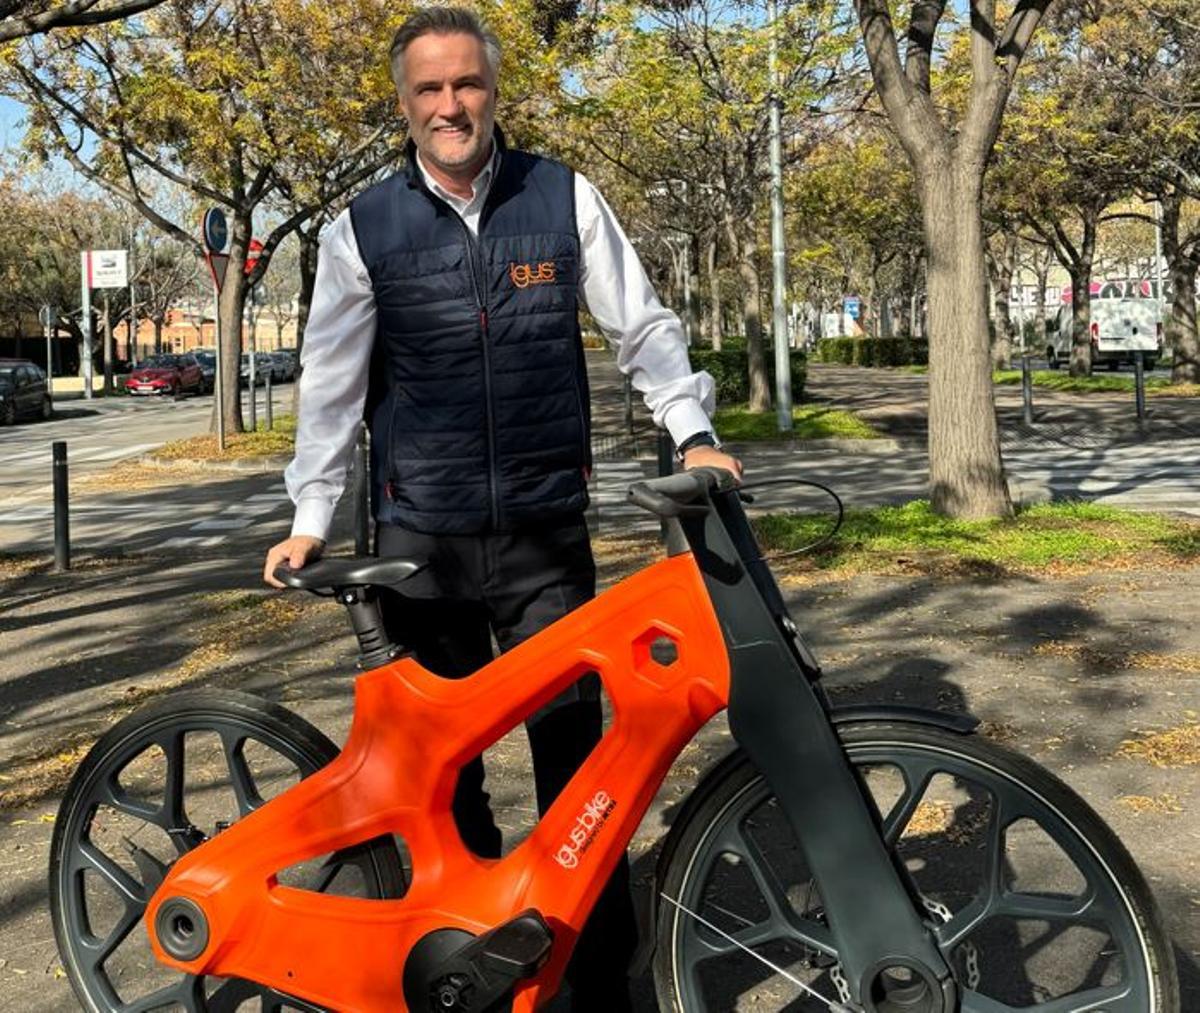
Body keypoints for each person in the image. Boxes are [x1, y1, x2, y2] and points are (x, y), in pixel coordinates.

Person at [263, 7, 742, 1008]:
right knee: (445, 785)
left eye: (467, 84)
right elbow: (331, 384)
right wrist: (311, 514)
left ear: (494, 93)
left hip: (542, 539)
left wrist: (691, 429)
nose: (451, 104)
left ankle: (598, 982)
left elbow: (642, 326)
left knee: (588, 775)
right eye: (431, 89)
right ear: (405, 106)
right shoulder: (361, 230)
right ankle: (470, 969)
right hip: (419, 545)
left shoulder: (561, 198)